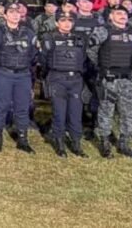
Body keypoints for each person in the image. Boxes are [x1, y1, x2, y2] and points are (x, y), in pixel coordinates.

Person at [88, 6, 132, 159]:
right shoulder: (103, 31)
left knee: (129, 113)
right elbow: (91, 50)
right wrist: (101, 67)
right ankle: (105, 143)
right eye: (118, 13)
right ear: (111, 16)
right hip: (109, 79)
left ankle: (124, 144)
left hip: (129, 80)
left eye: (124, 13)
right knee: (106, 111)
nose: (122, 16)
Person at [0, 2, 38, 154]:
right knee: (1, 107)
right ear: (5, 14)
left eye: (17, 12)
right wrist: (5, 65)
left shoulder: (28, 33)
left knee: (22, 108)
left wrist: (23, 64)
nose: (15, 15)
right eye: (12, 12)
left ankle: (23, 140)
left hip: (23, 75)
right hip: (3, 75)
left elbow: (35, 53)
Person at [38, 11, 88, 158]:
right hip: (57, 78)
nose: (67, 23)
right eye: (63, 20)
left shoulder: (80, 39)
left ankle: (76, 144)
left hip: (76, 80)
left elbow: (83, 59)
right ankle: (59, 143)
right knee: (59, 112)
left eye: (70, 20)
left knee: (76, 113)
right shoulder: (49, 38)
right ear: (57, 22)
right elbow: (44, 59)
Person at [73, 0, 105, 136]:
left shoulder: (98, 20)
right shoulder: (71, 18)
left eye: (89, 2)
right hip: (75, 61)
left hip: (93, 62)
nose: (87, 5)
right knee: (76, 93)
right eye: (84, 2)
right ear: (79, 3)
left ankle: (94, 123)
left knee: (95, 93)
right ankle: (76, 123)